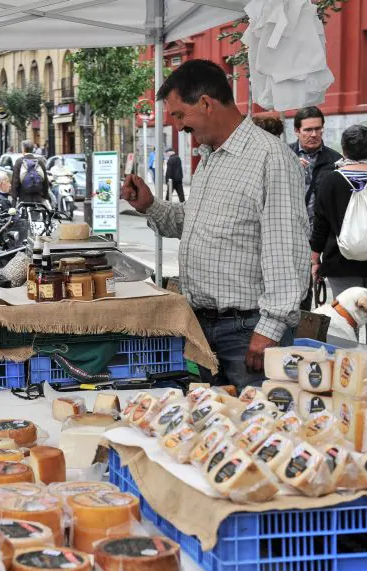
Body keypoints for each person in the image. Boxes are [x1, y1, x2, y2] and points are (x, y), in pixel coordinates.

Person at [121, 59, 309, 390]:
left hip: (248, 332)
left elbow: (286, 251)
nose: (178, 127)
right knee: (218, 427)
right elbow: (192, 223)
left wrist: (270, 328)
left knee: (256, 431)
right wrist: (149, 205)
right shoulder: (210, 158)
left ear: (206, 103)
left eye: (180, 115)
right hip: (205, 328)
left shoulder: (270, 158)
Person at [311, 125, 367, 353]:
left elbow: (320, 225)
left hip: (341, 261)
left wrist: (314, 260)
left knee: (344, 320)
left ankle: (347, 373)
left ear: (344, 149)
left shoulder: (330, 180)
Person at [290, 106, 342, 310]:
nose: (314, 134)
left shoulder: (335, 160)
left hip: (320, 236)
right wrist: (289, 167)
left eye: (318, 129)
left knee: (307, 290)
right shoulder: (284, 155)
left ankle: (300, 332)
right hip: (289, 233)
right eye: (308, 130)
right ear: (297, 131)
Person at [11, 140, 49, 205]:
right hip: (38, 197)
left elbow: (15, 182)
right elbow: (45, 181)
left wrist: (14, 199)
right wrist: (45, 196)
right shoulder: (39, 161)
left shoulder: (19, 162)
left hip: (23, 197)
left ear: (23, 149)